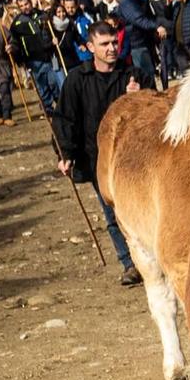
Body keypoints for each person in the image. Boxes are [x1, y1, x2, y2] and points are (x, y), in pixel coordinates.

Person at [53, 21, 141, 287]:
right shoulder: (77, 80)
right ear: (91, 47)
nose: (112, 48)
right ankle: (129, 263)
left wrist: (137, 98)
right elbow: (65, 119)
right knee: (113, 214)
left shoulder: (134, 75)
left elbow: (155, 111)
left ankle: (147, 258)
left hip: (134, 158)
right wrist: (65, 153)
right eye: (105, 44)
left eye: (114, 42)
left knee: (137, 211)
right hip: (97, 159)